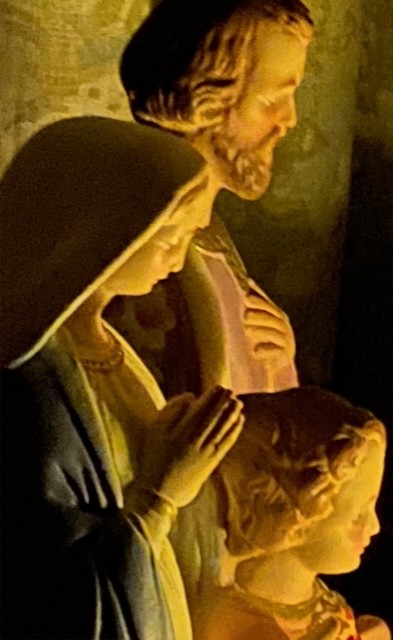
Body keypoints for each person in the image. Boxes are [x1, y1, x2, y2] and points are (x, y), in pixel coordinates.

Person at [0, 116, 244, 639]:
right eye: (170, 236)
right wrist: (158, 498)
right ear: (102, 233)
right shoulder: (26, 383)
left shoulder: (112, 348)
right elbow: (37, 582)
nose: (179, 258)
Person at [112, 0, 314, 396]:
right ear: (204, 100)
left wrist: (277, 359)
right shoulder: (149, 259)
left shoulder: (207, 231)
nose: (290, 120)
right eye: (271, 101)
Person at [195, 387, 392, 640]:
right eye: (358, 515)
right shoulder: (247, 625)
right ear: (297, 516)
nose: (374, 526)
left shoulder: (316, 602)